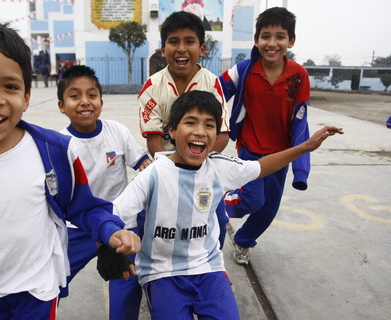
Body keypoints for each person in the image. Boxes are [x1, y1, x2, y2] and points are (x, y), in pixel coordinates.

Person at [0, 22, 140, 319]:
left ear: (27, 96)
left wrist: (111, 231)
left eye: (10, 86)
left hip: (34, 298)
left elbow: (84, 208)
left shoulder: (55, 152)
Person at [113, 90, 343, 319]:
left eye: (209, 125)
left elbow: (261, 166)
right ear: (172, 131)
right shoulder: (153, 174)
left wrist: (305, 147)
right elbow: (115, 214)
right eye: (190, 122)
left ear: (217, 134)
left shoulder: (219, 167)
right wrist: (110, 244)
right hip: (161, 272)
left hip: (207, 268)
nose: (200, 131)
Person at [57, 64, 151, 320]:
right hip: (78, 225)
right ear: (61, 105)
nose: (85, 102)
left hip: (120, 222)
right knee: (49, 280)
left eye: (92, 95)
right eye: (75, 96)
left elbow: (143, 164)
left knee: (127, 280)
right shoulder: (59, 145)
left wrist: (154, 173)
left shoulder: (117, 131)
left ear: (101, 100)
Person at [219, 7, 311, 265]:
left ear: (290, 41)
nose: (272, 43)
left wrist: (300, 169)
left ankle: (243, 240)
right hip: (249, 150)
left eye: (280, 37)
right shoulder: (245, 70)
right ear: (256, 40)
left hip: (280, 155)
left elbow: (301, 121)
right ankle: (216, 202)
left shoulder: (298, 75)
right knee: (252, 199)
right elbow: (214, 92)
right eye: (265, 36)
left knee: (269, 208)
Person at [138, 10, 229, 159]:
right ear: (163, 50)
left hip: (203, 165)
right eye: (173, 42)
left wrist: (201, 166)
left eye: (189, 41)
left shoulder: (212, 83)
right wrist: (170, 169)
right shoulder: (153, 86)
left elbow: (222, 134)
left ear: (202, 49)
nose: (181, 49)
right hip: (167, 166)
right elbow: (153, 138)